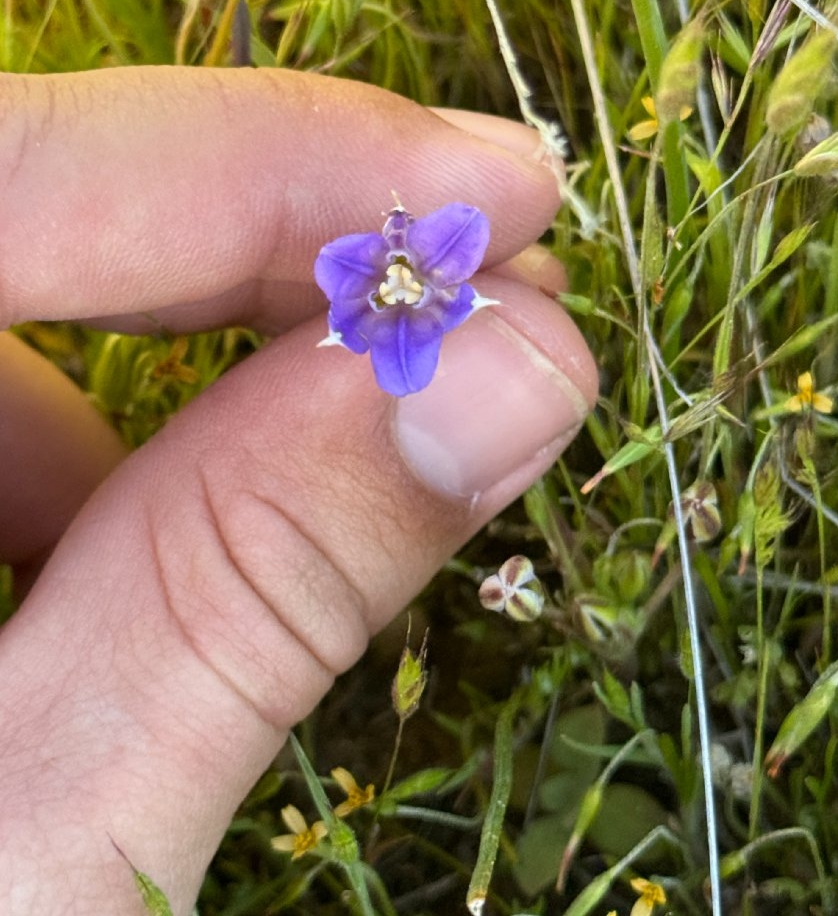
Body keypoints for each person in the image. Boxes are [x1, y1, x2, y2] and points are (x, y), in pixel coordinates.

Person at [0, 66, 598, 913]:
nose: (401, 282)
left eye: (409, 276)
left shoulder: (434, 254)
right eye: (394, 276)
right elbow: (369, 274)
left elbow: (442, 237)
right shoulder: (385, 277)